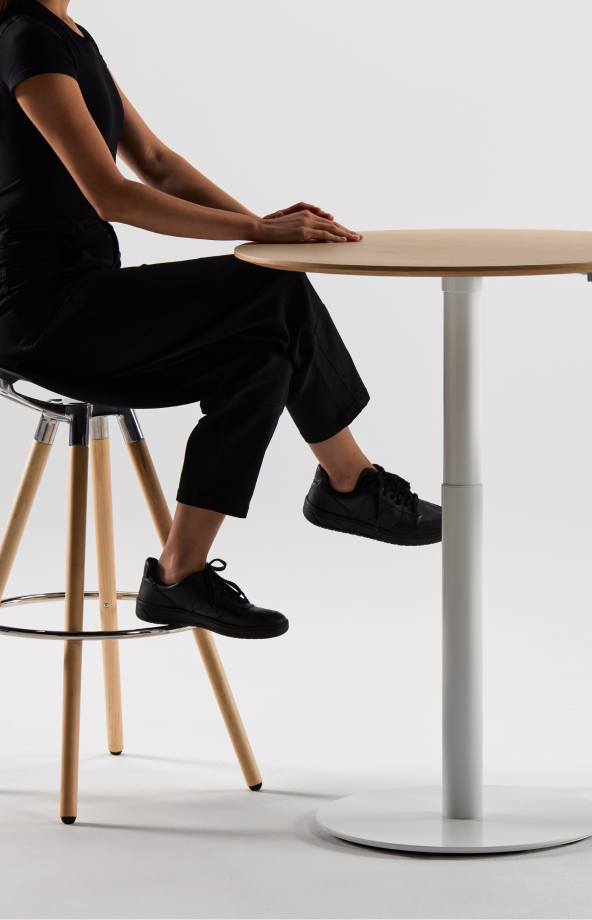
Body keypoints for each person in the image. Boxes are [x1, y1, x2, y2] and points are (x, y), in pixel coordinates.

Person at [0, 0, 440, 639]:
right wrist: (259, 234)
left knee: (259, 352)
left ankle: (179, 574)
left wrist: (269, 239)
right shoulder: (24, 40)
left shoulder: (68, 35)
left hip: (85, 296)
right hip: (41, 314)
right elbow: (112, 194)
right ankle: (350, 482)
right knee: (270, 296)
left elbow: (153, 160)